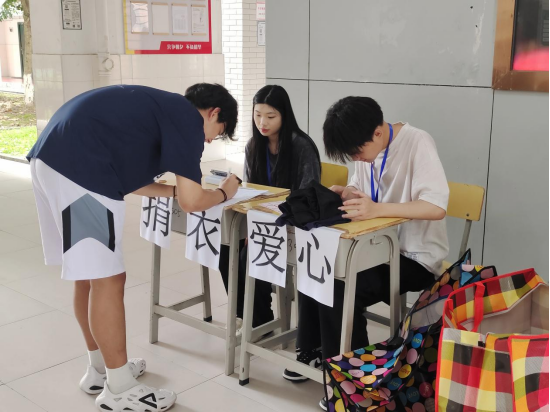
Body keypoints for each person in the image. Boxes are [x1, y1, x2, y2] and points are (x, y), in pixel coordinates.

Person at [26, 83, 240, 412]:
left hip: (52, 161)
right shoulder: (188, 119)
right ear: (214, 113)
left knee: (89, 277)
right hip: (81, 171)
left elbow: (135, 181)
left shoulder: (160, 108)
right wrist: (226, 191)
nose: (210, 140)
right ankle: (120, 389)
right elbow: (192, 201)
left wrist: (177, 191)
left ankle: (101, 369)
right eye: (218, 132)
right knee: (108, 279)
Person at [283, 97, 450, 412]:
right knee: (316, 266)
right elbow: (361, 191)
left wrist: (376, 209)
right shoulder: (364, 146)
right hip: (372, 247)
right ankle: (314, 349)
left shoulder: (417, 142)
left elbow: (436, 207)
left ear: (378, 132)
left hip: (413, 257)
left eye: (357, 153)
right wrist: (346, 193)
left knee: (339, 287)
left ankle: (355, 383)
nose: (356, 158)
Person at [219, 85, 322, 334]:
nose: (262, 123)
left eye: (270, 116)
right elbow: (249, 191)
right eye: (257, 115)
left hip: (292, 224)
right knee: (225, 249)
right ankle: (247, 315)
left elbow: (308, 196)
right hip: (259, 220)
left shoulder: (301, 146)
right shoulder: (254, 145)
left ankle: (260, 322)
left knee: (248, 255)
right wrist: (249, 225)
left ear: (284, 115)